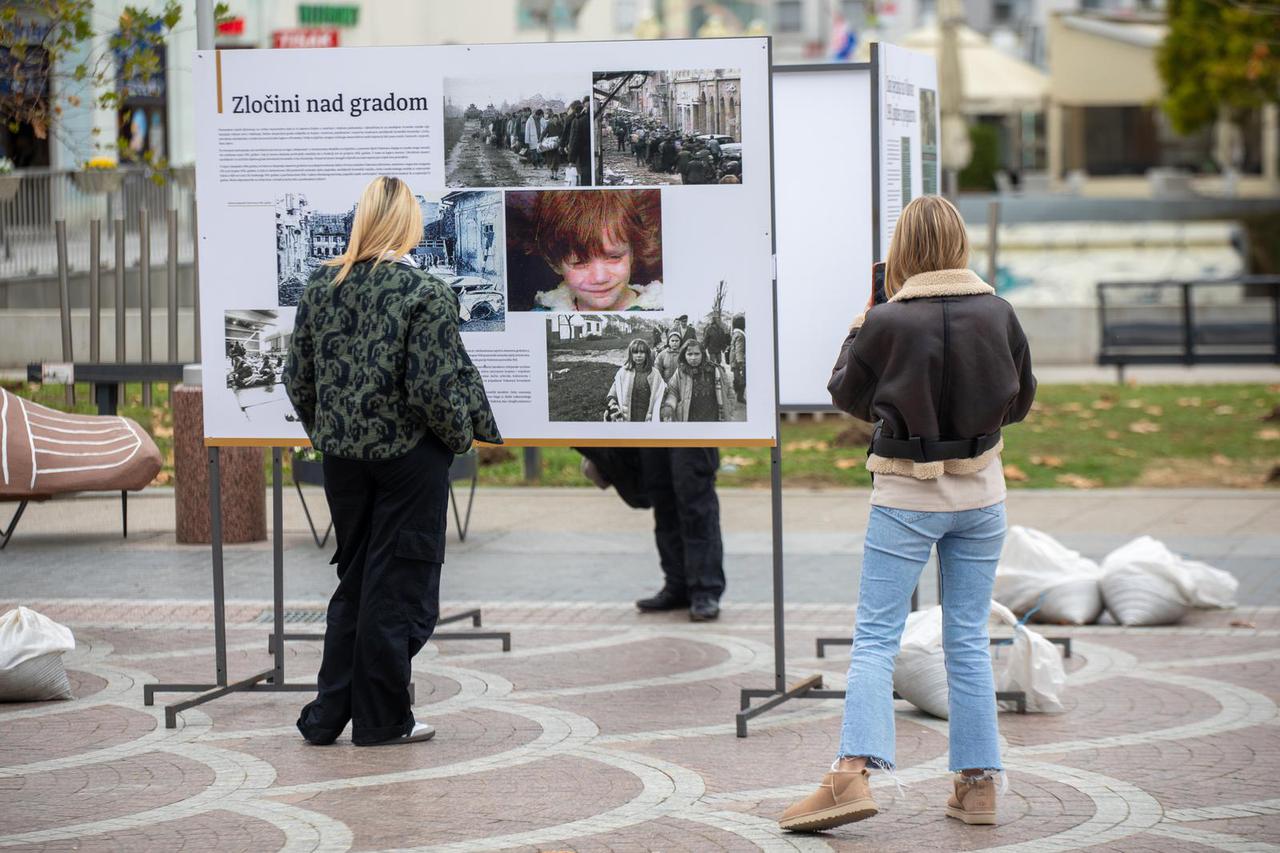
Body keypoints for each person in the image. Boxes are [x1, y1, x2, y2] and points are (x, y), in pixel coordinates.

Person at [778, 196, 1036, 832]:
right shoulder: (999, 312)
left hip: (907, 495)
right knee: (967, 640)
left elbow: (847, 394)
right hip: (983, 493)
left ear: (903, 252)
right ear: (958, 244)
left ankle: (849, 777)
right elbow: (1021, 401)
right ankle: (977, 788)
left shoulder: (888, 321)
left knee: (875, 639)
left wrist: (864, 320)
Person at [284, 176, 502, 748]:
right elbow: (434, 386)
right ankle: (382, 721)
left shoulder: (319, 286)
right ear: (408, 223)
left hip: (343, 461)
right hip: (408, 458)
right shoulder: (423, 291)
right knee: (396, 587)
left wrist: (327, 431)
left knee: (357, 581)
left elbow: (296, 379)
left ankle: (328, 714)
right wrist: (457, 438)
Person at [528, 190, 663, 312]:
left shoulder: (662, 306)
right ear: (554, 263)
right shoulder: (543, 313)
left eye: (614, 257)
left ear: (633, 251)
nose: (600, 278)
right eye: (580, 262)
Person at [661, 339, 731, 422]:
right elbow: (673, 391)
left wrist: (729, 410)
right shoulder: (681, 372)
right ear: (684, 355)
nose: (693, 358)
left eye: (697, 354)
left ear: (703, 354)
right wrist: (669, 406)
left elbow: (728, 392)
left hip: (712, 417)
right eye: (689, 354)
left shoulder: (715, 371)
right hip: (690, 416)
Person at [605, 338, 666, 422]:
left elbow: (661, 392)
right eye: (635, 352)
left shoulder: (655, 374)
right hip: (627, 416)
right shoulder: (623, 372)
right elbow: (614, 390)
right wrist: (612, 403)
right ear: (631, 354)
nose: (638, 355)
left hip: (646, 416)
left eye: (642, 352)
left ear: (647, 354)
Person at [728, 314, 746, 404]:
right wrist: (741, 364)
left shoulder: (735, 334)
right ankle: (739, 397)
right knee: (742, 379)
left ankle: (736, 394)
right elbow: (739, 350)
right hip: (738, 362)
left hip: (734, 361)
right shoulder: (741, 336)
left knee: (737, 378)